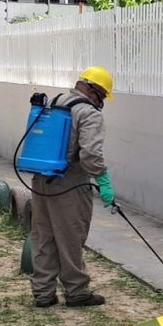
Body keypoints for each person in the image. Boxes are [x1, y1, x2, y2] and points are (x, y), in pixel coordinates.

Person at [31, 66, 116, 308]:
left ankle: (43, 293)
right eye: (103, 96)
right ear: (93, 91)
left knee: (43, 237)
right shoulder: (89, 113)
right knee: (70, 238)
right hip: (69, 184)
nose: (102, 102)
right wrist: (103, 180)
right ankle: (77, 292)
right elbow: (90, 155)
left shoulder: (55, 102)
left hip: (40, 180)